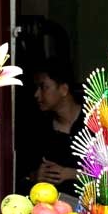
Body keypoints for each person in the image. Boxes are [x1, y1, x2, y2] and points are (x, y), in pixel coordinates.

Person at [20, 58, 84, 196]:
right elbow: (20, 173)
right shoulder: (38, 129)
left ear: (63, 89)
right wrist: (36, 176)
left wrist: (72, 174)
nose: (36, 94)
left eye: (43, 87)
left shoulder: (95, 122)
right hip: (52, 210)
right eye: (36, 88)